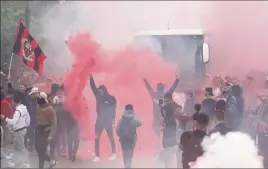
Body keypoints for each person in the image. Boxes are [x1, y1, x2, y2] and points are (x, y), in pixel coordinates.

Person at [143, 73, 179, 150]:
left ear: (157, 88)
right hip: (165, 119)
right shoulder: (166, 95)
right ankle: (166, 148)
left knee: (157, 136)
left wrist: (145, 80)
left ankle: (157, 150)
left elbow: (149, 88)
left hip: (156, 119)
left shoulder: (154, 95)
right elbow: (173, 88)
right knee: (166, 134)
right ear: (163, 88)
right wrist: (177, 80)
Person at [89, 74, 117, 163]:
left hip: (108, 121)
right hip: (100, 120)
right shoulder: (98, 96)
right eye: (99, 91)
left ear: (105, 91)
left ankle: (113, 153)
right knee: (96, 138)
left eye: (102, 91)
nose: (100, 92)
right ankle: (97, 156)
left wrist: (113, 120)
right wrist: (90, 77)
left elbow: (114, 109)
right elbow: (93, 87)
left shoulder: (111, 98)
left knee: (111, 137)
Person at [1, 92, 31, 168]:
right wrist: (25, 126)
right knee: (17, 146)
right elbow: (28, 120)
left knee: (21, 148)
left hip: (19, 131)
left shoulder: (18, 111)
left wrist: (4, 118)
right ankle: (14, 161)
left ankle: (25, 162)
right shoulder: (24, 108)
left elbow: (13, 121)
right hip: (23, 129)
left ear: (13, 101)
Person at [35, 92, 57, 169]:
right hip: (38, 130)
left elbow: (54, 123)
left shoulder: (50, 109)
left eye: (39, 98)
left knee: (42, 151)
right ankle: (51, 160)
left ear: (44, 99)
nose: (38, 100)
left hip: (45, 132)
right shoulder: (38, 106)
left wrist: (50, 135)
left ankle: (41, 166)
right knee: (37, 149)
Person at [160, 93, 181, 168]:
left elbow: (163, 117)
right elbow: (180, 108)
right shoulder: (174, 105)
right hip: (173, 124)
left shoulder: (163, 107)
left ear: (165, 98)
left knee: (166, 144)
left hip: (167, 125)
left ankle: (167, 164)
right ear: (170, 98)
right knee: (172, 143)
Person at [24, 87, 39, 152]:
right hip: (27, 119)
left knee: (33, 133)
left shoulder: (37, 100)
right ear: (33, 93)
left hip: (34, 119)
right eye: (36, 93)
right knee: (27, 133)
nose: (38, 95)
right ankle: (24, 145)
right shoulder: (27, 99)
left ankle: (31, 146)